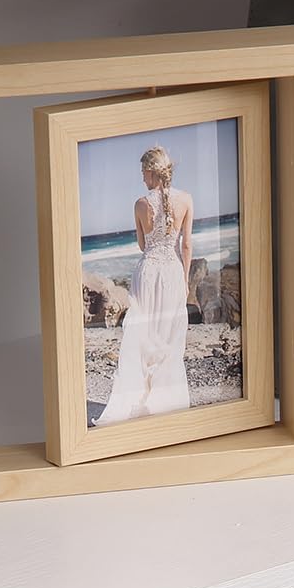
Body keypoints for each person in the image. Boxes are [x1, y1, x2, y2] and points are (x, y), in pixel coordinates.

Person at [95, 145, 193, 425]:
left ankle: (141, 398)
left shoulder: (140, 204)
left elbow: (142, 245)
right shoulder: (186, 199)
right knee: (169, 337)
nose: (141, 177)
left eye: (143, 172)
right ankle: (166, 401)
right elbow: (186, 245)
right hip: (173, 273)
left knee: (143, 335)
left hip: (148, 272)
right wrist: (185, 280)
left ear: (151, 172)